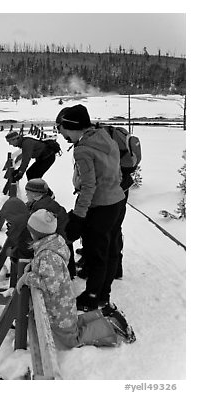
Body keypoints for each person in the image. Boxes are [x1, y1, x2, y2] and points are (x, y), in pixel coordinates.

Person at [16, 209, 135, 349]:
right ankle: (105, 314)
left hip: (58, 304)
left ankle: (113, 325)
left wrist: (27, 278)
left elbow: (50, 285)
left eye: (31, 231)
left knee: (71, 338)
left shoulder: (48, 255)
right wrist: (33, 267)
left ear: (37, 233)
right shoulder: (52, 245)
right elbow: (50, 271)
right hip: (62, 302)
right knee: (73, 324)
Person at [55, 104, 126, 311]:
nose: (64, 136)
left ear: (72, 127)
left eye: (63, 131)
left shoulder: (83, 150)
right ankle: (103, 293)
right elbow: (118, 171)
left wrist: (78, 217)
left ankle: (91, 298)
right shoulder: (105, 137)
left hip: (100, 207)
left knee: (96, 255)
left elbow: (88, 187)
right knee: (111, 250)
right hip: (117, 202)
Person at [24, 178, 75, 278]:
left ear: (35, 195)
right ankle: (71, 272)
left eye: (28, 193)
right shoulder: (45, 201)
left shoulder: (41, 208)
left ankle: (66, 275)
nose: (26, 195)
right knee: (68, 253)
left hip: (60, 237)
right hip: (65, 235)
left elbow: (40, 229)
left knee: (62, 257)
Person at [0, 197, 34, 287]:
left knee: (24, 294)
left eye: (9, 220)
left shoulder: (26, 229)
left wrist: (13, 253)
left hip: (30, 274)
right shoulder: (22, 224)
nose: (8, 223)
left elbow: (26, 252)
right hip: (26, 271)